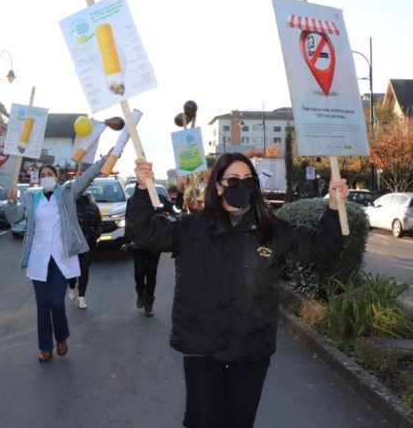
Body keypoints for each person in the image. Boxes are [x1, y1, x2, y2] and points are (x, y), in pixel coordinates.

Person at [126, 153, 348, 428]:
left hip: (251, 347)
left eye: (248, 180)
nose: (241, 186)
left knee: (239, 422)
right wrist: (141, 190)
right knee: (203, 420)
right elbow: (143, 232)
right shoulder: (191, 228)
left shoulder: (272, 230)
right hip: (202, 345)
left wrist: (335, 209)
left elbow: (321, 249)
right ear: (218, 186)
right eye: (233, 180)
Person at [6, 158, 104, 363]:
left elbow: (86, 178)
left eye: (50, 174)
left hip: (61, 257)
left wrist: (106, 158)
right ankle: (45, 347)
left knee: (56, 303)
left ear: (57, 177)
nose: (46, 178)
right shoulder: (32, 198)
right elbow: (14, 218)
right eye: (43, 175)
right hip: (38, 258)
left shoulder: (67, 194)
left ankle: (61, 337)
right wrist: (12, 201)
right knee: (42, 305)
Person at [122, 191, 174, 317]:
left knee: (151, 272)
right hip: (139, 241)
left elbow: (174, 211)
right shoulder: (133, 199)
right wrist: (126, 240)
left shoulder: (159, 198)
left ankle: (149, 302)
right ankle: (141, 292)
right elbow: (128, 219)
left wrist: (181, 195)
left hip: (156, 241)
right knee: (139, 271)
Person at [67, 192, 101, 309]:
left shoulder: (93, 205)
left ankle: (82, 297)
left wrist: (97, 233)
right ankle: (71, 286)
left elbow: (99, 222)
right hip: (74, 243)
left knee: (84, 270)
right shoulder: (70, 205)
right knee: (73, 269)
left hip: (88, 243)